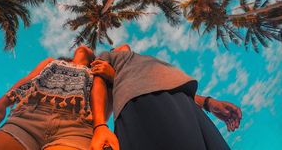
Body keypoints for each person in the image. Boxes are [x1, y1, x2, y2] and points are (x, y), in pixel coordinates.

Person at [90, 44, 242, 150]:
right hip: (140, 102)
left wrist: (209, 103)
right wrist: (100, 125)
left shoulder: (147, 59)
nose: (122, 45)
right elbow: (98, 82)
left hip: (185, 103)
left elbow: (170, 85)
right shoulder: (109, 57)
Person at [0, 46, 115, 150]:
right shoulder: (51, 62)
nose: (86, 47)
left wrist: (100, 126)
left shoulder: (96, 71)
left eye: (91, 48)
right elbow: (29, 79)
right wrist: (2, 102)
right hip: (27, 118)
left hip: (75, 129)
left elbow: (103, 104)